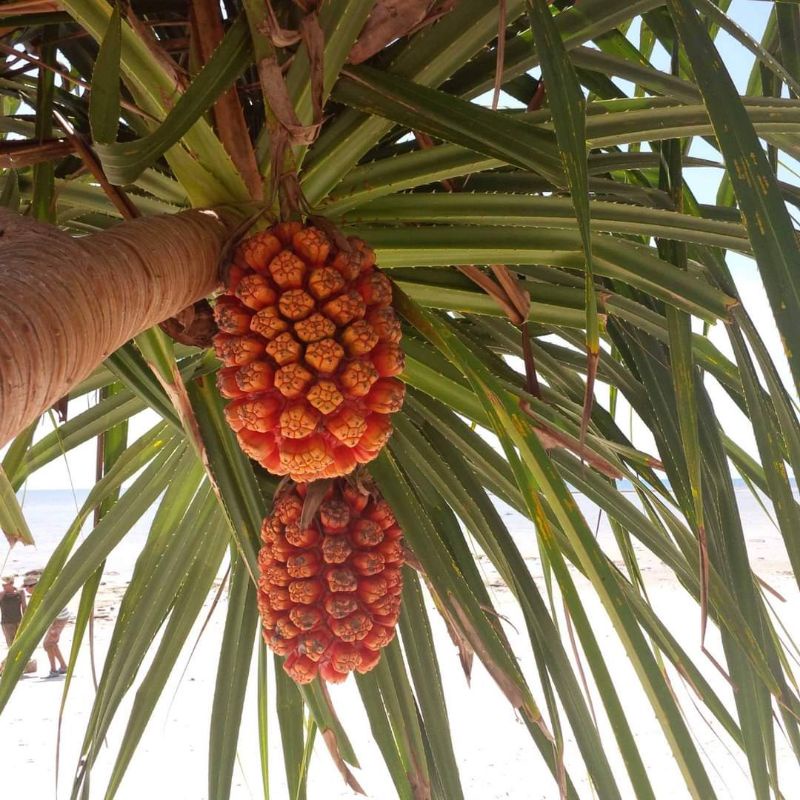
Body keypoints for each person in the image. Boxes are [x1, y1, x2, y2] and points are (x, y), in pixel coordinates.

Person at [23, 570, 68, 678]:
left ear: (33, 586)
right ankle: (63, 666)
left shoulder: (43, 594)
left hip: (58, 619)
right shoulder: (39, 594)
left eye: (27, 587)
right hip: (58, 618)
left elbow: (52, 609)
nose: (26, 589)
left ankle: (53, 670)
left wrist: (54, 629)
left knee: (47, 644)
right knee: (52, 644)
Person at [0, 575, 26, 647]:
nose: (4, 586)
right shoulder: (1, 594)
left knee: (21, 642)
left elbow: (24, 607)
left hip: (19, 621)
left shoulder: (20, 592)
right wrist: (3, 593)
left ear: (12, 583)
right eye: (3, 585)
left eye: (5, 584)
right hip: (6, 623)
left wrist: (26, 620)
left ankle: (25, 658)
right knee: (11, 644)